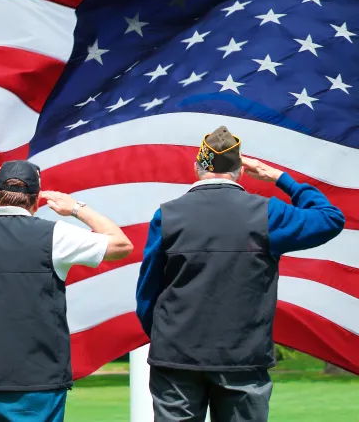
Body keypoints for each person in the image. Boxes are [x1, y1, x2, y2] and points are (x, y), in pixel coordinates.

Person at [135, 126, 345, 422]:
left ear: (198, 167)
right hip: (243, 356)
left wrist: (163, 335)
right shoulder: (267, 213)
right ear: (240, 171)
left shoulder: (168, 215)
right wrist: (280, 179)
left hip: (176, 355)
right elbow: (330, 218)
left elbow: (147, 290)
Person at [0, 160, 134, 421]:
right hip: (39, 386)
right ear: (37, 200)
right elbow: (121, 244)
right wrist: (76, 208)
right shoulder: (54, 235)